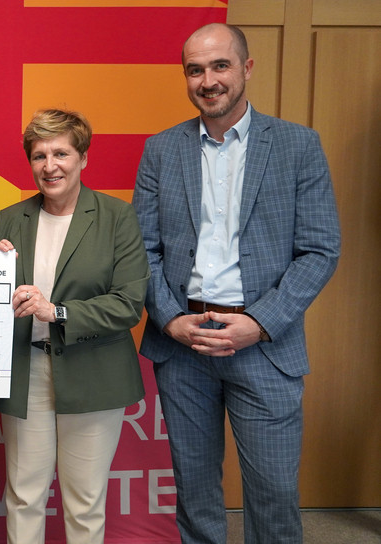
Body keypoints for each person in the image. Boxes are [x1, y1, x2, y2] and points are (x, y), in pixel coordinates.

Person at [133, 23, 341, 543]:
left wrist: (258, 323)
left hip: (264, 348)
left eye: (220, 66)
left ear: (246, 68)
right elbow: (141, 250)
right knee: (196, 494)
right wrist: (172, 320)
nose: (208, 80)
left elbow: (319, 249)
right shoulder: (160, 150)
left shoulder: (298, 145)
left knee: (272, 497)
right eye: (196, 69)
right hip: (183, 345)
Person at [0, 109, 149, 544]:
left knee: (84, 502)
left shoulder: (118, 216)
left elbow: (128, 303)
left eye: (61, 153)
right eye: (39, 155)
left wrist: (57, 312)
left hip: (93, 372)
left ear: (83, 159)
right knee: (23, 498)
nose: (49, 166)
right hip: (28, 373)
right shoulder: (10, 218)